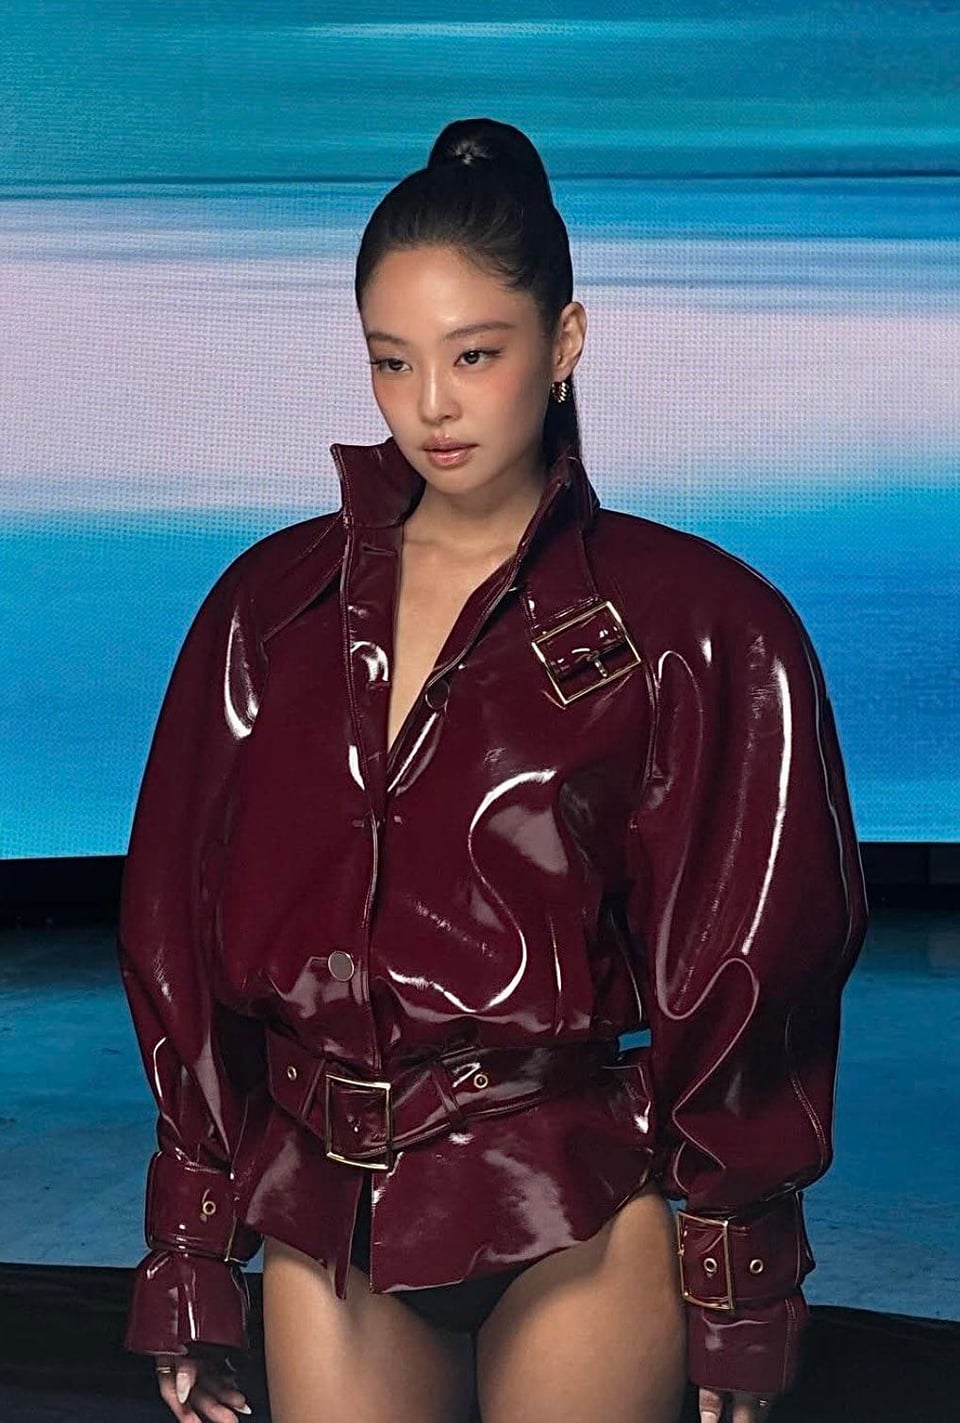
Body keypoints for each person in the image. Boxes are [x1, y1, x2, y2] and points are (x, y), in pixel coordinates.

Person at [116, 117, 868, 1423]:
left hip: (578, 1200)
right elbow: (173, 931)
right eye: (392, 360)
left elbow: (749, 966)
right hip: (331, 1206)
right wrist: (188, 1251)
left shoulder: (703, 626)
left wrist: (739, 1281)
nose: (432, 405)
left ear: (565, 342)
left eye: (476, 353)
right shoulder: (266, 612)